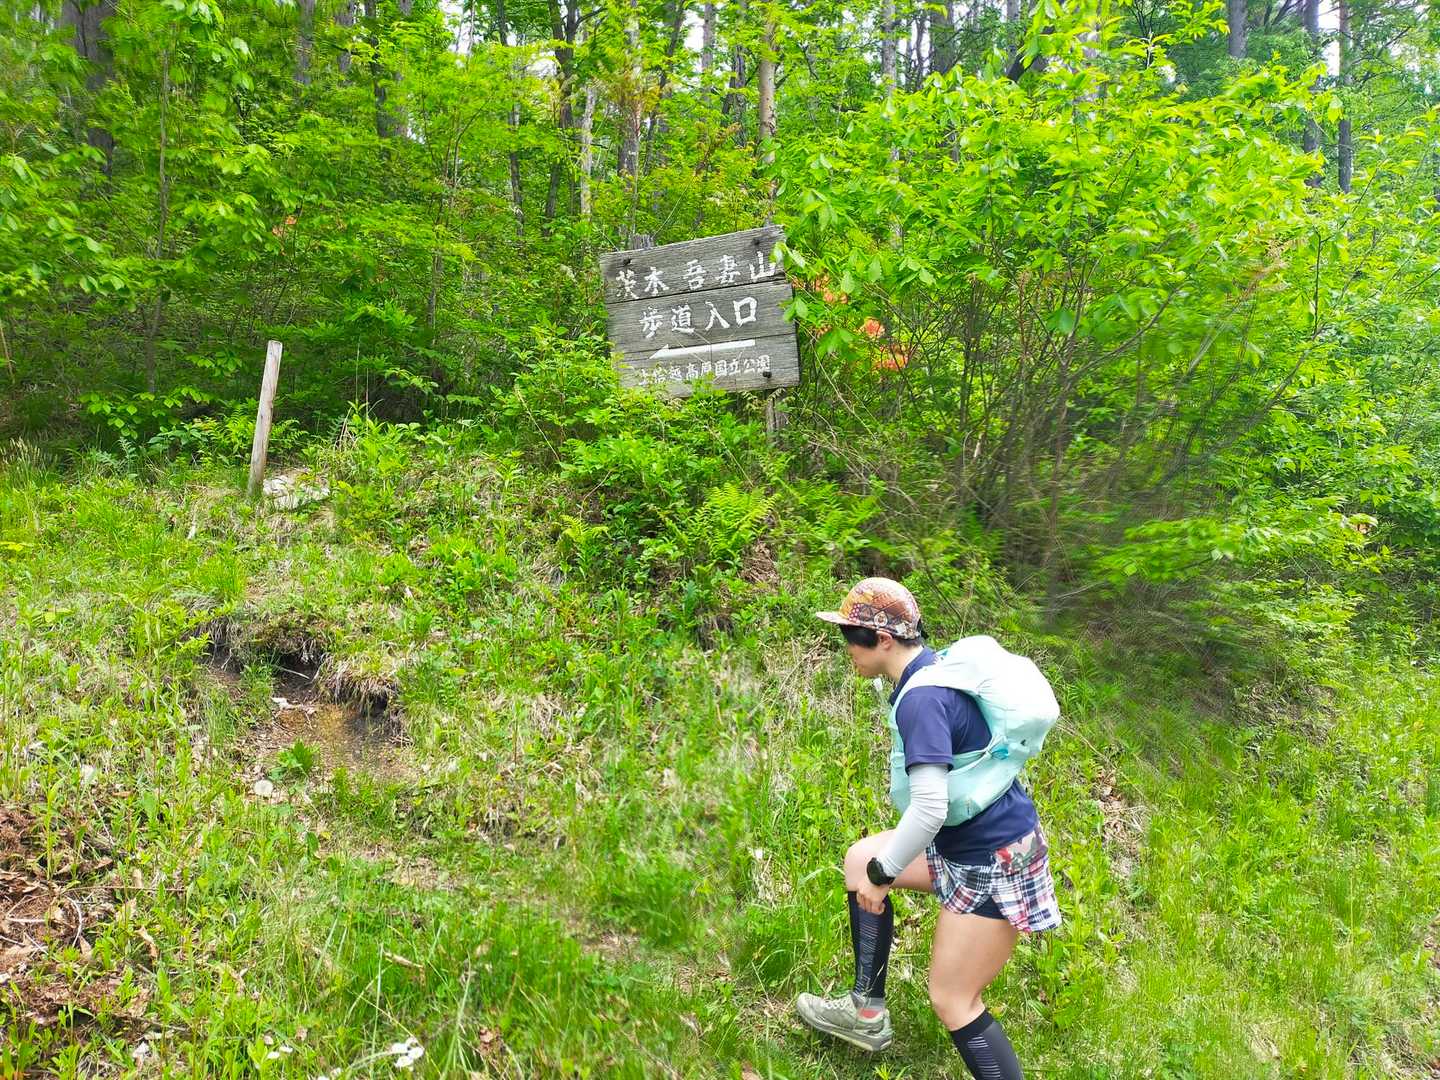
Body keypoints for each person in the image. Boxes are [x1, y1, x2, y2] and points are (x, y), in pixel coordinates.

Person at [796, 577, 1061, 1079]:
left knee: (953, 998)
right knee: (859, 859)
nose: (846, 647)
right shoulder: (931, 670)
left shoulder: (922, 699)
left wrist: (884, 874)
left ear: (884, 640)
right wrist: (875, 868)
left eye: (851, 636)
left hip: (993, 860)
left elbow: (930, 808)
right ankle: (866, 1013)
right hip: (964, 845)